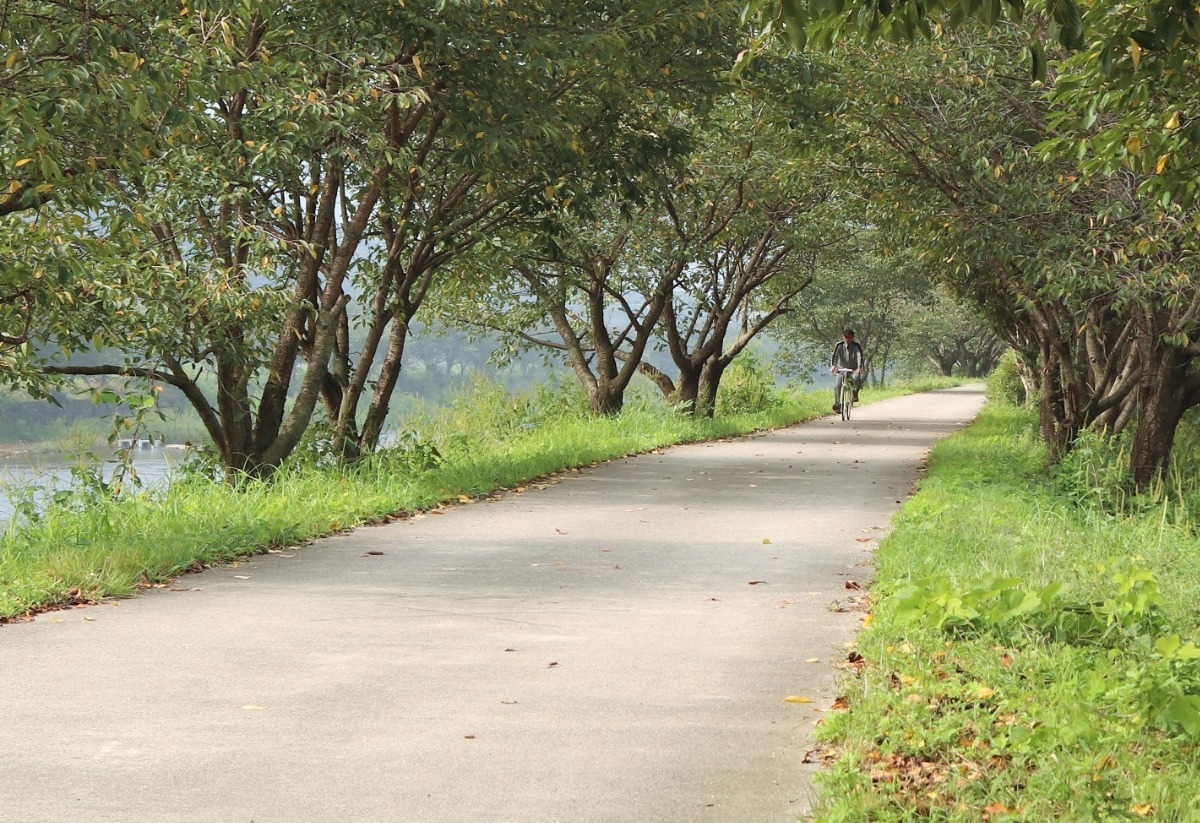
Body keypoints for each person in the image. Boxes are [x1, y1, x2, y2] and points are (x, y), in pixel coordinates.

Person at [829, 328, 865, 412]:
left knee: (856, 379)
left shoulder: (856, 346)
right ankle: (838, 404)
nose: (847, 339)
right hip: (841, 368)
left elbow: (860, 356)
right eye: (845, 337)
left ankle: (855, 393)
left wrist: (859, 367)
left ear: (853, 338)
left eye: (849, 337)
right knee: (837, 385)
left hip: (853, 369)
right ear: (843, 337)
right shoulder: (839, 345)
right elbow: (834, 356)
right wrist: (833, 365)